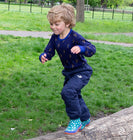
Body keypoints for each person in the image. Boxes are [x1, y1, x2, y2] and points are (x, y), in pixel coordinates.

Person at [39, 3, 96, 135]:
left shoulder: (74, 37)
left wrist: (81, 49)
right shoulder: (55, 38)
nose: (53, 27)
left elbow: (91, 48)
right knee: (75, 95)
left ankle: (75, 120)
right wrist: (44, 56)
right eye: (51, 24)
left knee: (68, 92)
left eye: (57, 24)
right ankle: (85, 118)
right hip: (69, 73)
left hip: (82, 71)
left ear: (68, 23)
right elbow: (49, 51)